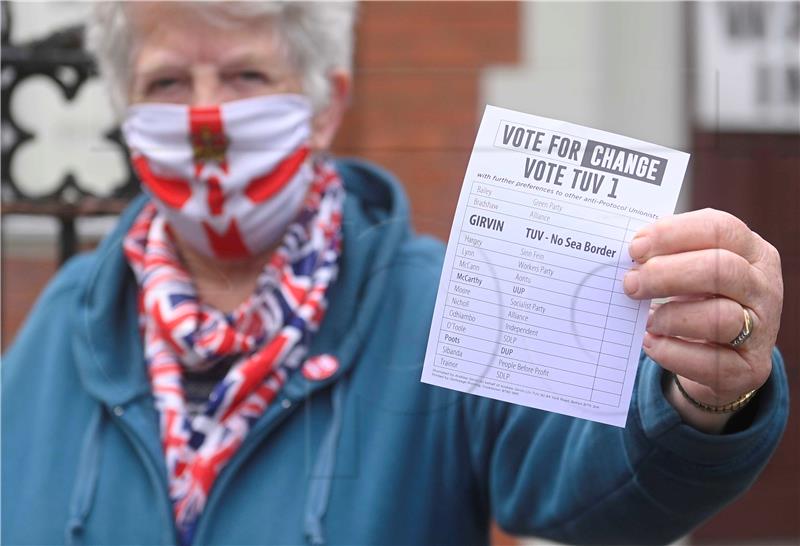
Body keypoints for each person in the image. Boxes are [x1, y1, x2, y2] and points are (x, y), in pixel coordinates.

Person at [1, 2, 789, 545]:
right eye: (168, 83)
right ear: (127, 111)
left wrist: (701, 398)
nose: (207, 120)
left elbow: (602, 488)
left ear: (324, 105)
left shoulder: (435, 303)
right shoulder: (66, 324)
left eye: (246, 77)